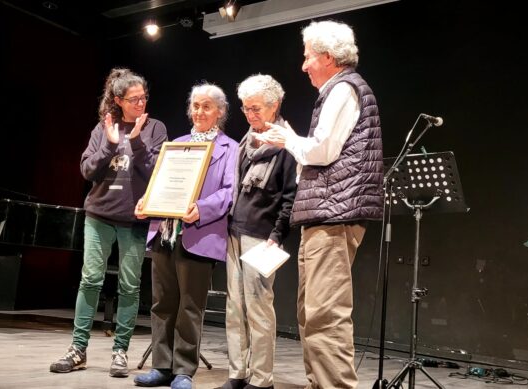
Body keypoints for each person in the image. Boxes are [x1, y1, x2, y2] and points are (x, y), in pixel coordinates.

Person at [260, 20, 384, 389]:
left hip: (335, 214)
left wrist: (288, 139)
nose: (303, 65)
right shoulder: (338, 90)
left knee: (325, 315)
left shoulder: (343, 89)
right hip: (324, 214)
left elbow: (324, 150)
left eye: (308, 57)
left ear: (328, 57)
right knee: (311, 314)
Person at [50, 68, 168, 378]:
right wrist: (110, 145)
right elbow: (88, 170)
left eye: (144, 98)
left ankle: (120, 352)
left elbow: (158, 170)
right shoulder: (103, 128)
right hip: (99, 216)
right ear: (118, 100)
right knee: (90, 280)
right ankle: (78, 349)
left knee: (129, 287)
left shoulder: (155, 128)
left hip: (134, 219)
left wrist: (138, 141)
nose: (141, 104)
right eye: (134, 99)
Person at [133, 83, 239, 389]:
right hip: (165, 232)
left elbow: (230, 193)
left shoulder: (230, 149)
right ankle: (161, 367)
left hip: (199, 234)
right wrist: (146, 202)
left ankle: (183, 370)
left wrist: (202, 209)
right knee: (161, 303)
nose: (199, 112)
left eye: (207, 106)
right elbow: (159, 183)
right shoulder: (177, 144)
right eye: (195, 105)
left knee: (190, 307)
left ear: (220, 112)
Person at [221, 74, 297, 389]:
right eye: (245, 109)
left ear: (274, 105)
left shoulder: (286, 144)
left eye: (256, 108)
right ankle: (238, 373)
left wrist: (277, 235)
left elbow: (291, 197)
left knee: (259, 309)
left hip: (263, 236)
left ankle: (262, 379)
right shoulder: (246, 141)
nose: (250, 115)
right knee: (234, 307)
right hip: (235, 232)